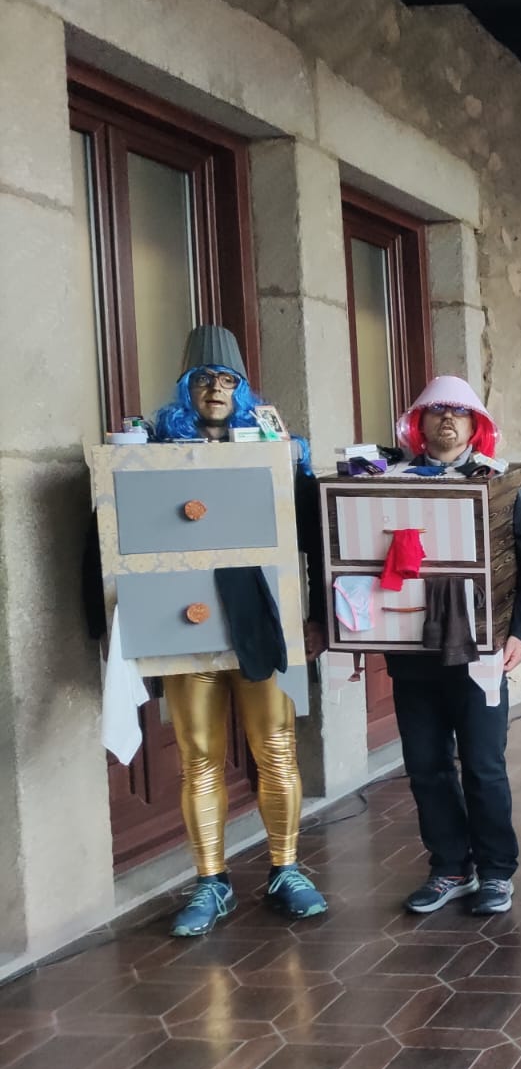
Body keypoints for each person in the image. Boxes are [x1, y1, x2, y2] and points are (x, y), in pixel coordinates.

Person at [145, 326, 329, 936]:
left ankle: (286, 867)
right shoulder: (154, 448)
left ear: (242, 390)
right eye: (205, 380)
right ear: (187, 389)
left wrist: (289, 458)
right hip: (185, 614)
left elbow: (309, 527)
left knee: (275, 746)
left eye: (227, 381)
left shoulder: (276, 446)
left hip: (258, 613)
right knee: (199, 757)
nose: (216, 390)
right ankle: (210, 880)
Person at [390, 375, 521, 918]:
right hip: (413, 653)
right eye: (436, 411)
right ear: (421, 421)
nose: (448, 420)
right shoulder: (391, 483)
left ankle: (497, 871)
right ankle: (450, 866)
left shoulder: (503, 487)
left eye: (460, 412)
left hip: (480, 654)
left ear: (476, 424)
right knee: (426, 764)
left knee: (483, 764)